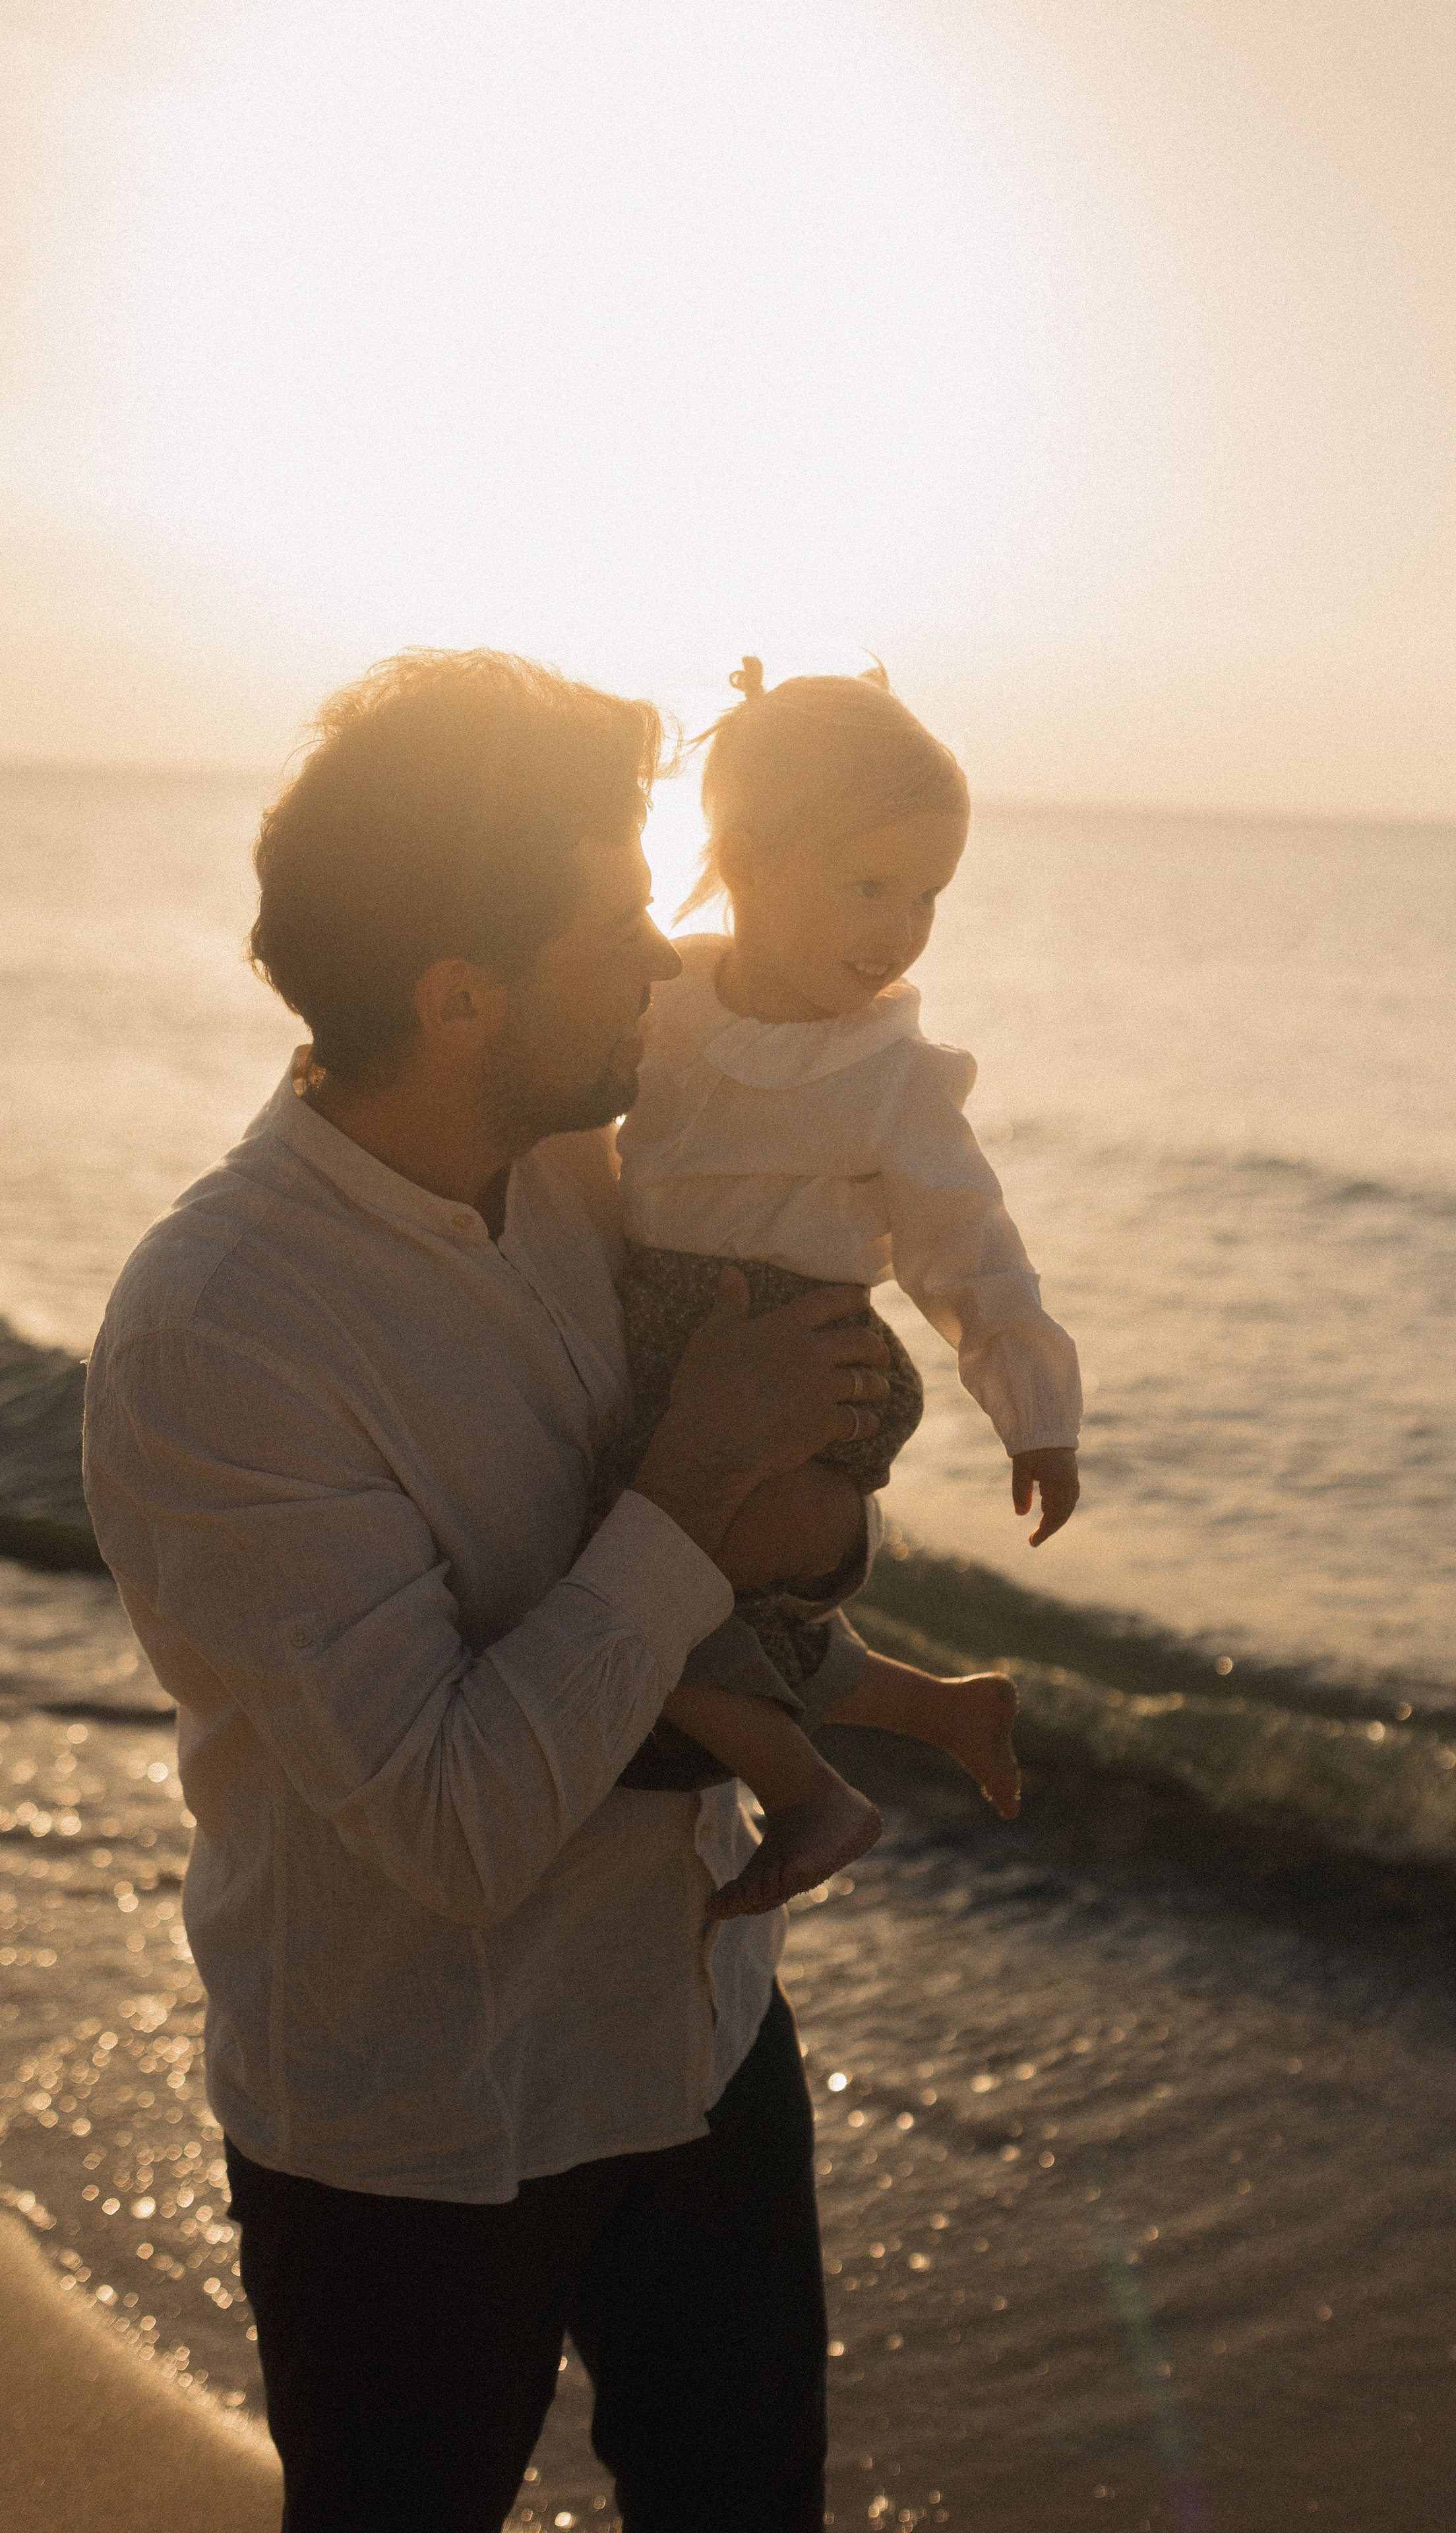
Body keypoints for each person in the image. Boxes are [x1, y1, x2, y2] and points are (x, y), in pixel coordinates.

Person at [79, 650, 899, 2533]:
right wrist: (699, 1479)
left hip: (694, 2025)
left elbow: (780, 1512)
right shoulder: (220, 1333)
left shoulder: (601, 1169)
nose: (668, 964)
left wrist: (820, 1517)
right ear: (459, 999)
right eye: (618, 930)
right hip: (417, 2121)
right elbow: (454, 1826)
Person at [609, 657, 1085, 1920]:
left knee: (631, 1565)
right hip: (659, 1343)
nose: (901, 927)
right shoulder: (662, 998)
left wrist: (1037, 1413)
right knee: (642, 1575)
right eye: (869, 886)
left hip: (814, 1357)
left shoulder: (897, 1077)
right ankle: (941, 1710)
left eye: (928, 896)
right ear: (747, 861)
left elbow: (970, 1245)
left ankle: (812, 1792)